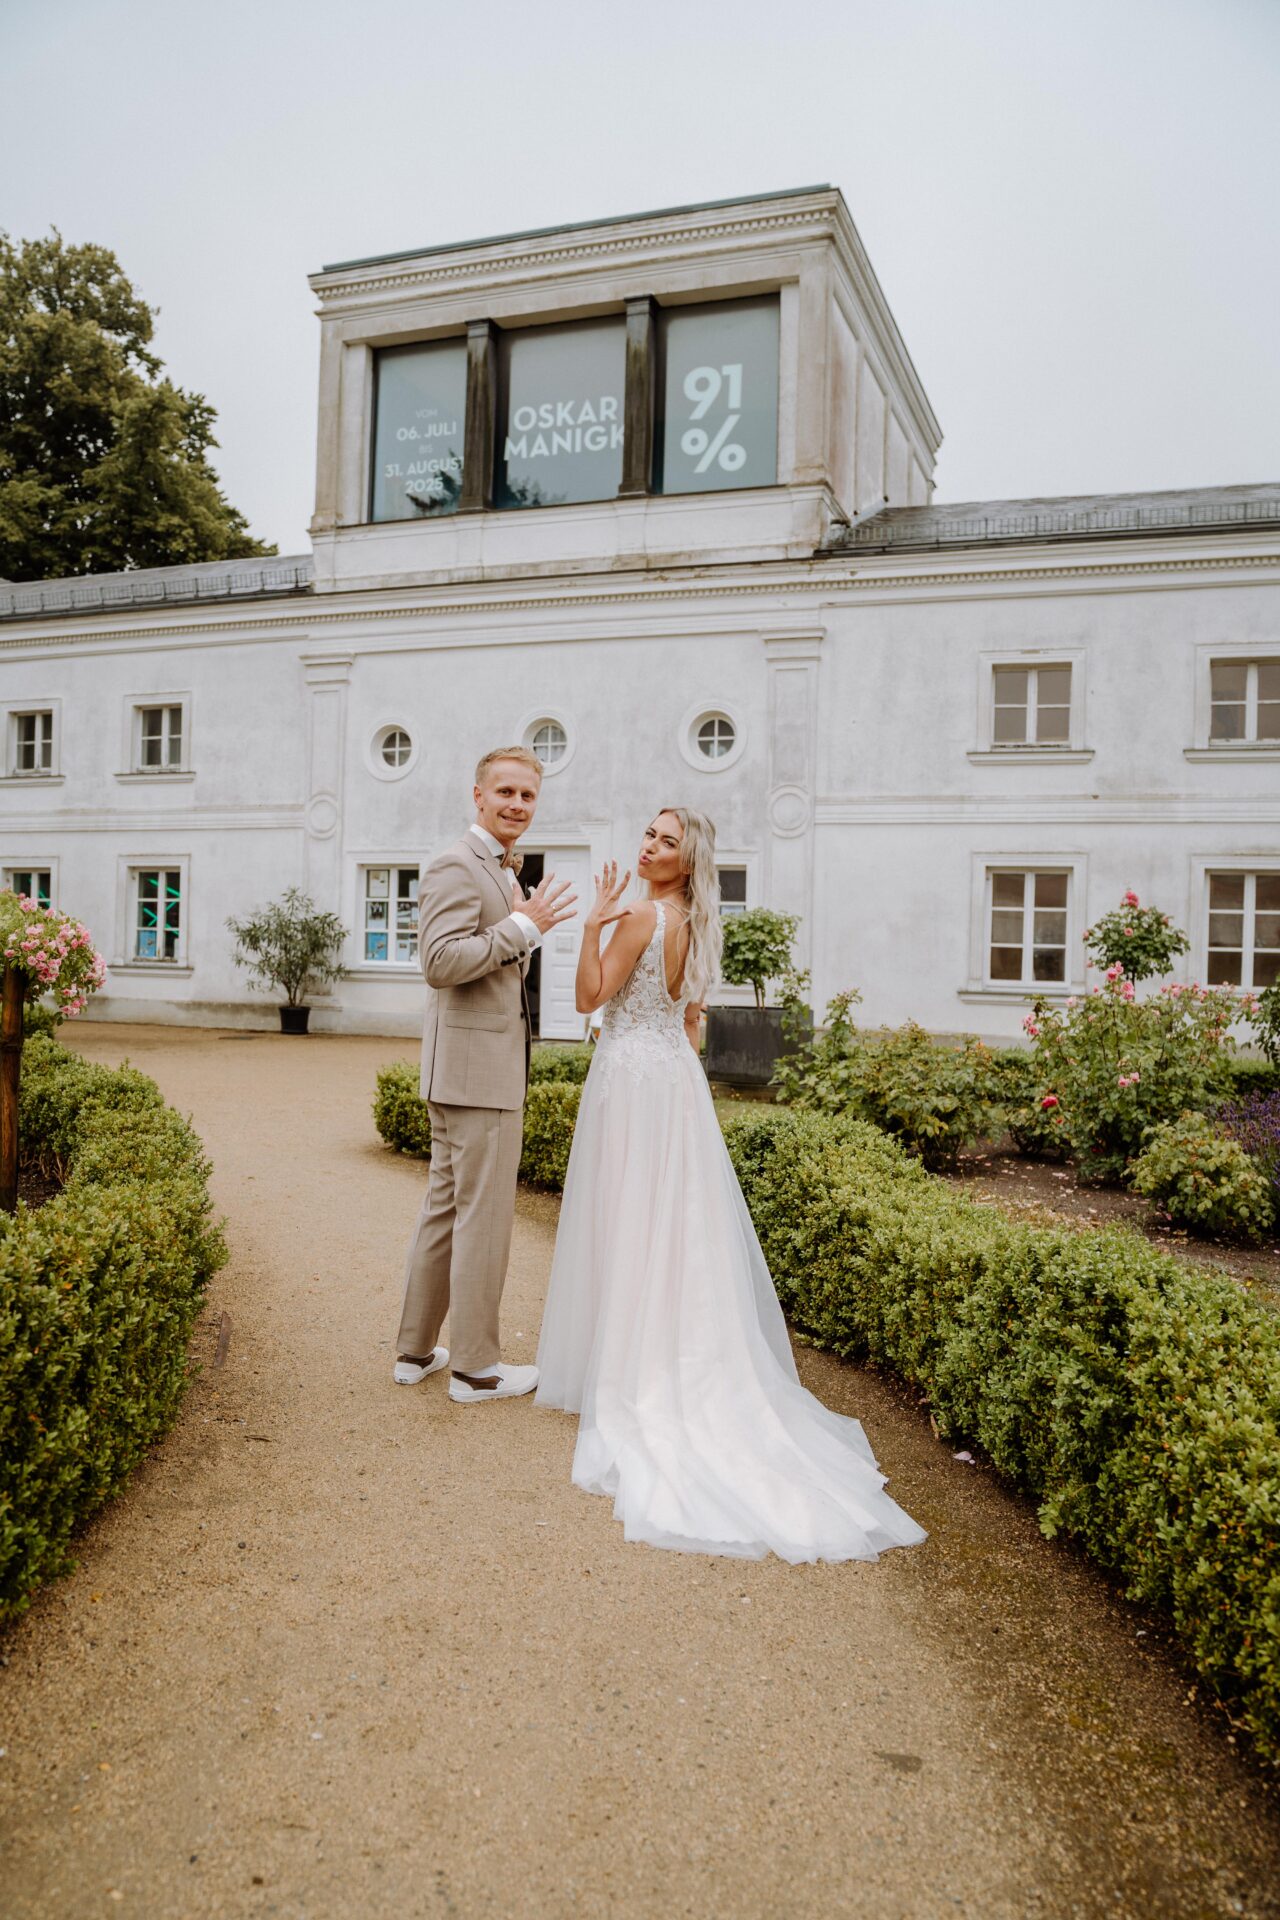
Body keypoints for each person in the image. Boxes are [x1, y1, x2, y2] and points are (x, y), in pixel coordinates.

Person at [535, 806, 926, 1563]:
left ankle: (629, 1369)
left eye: (665, 841)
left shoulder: (644, 917)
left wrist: (591, 929)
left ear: (686, 860)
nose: (648, 845)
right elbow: (692, 1027)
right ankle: (665, 1353)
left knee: (629, 1220)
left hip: (630, 1080)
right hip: (674, 1086)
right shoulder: (700, 922)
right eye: (648, 833)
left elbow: (588, 1001)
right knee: (674, 1230)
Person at [393, 747, 576, 1402]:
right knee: (483, 1218)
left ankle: (415, 1352)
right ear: (477, 794)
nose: (517, 805)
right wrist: (524, 927)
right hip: (479, 1076)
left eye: (528, 795)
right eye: (505, 791)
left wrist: (518, 915)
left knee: (445, 1210)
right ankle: (476, 1368)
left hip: (463, 1070)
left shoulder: (497, 868)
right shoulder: (455, 863)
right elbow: (440, 962)